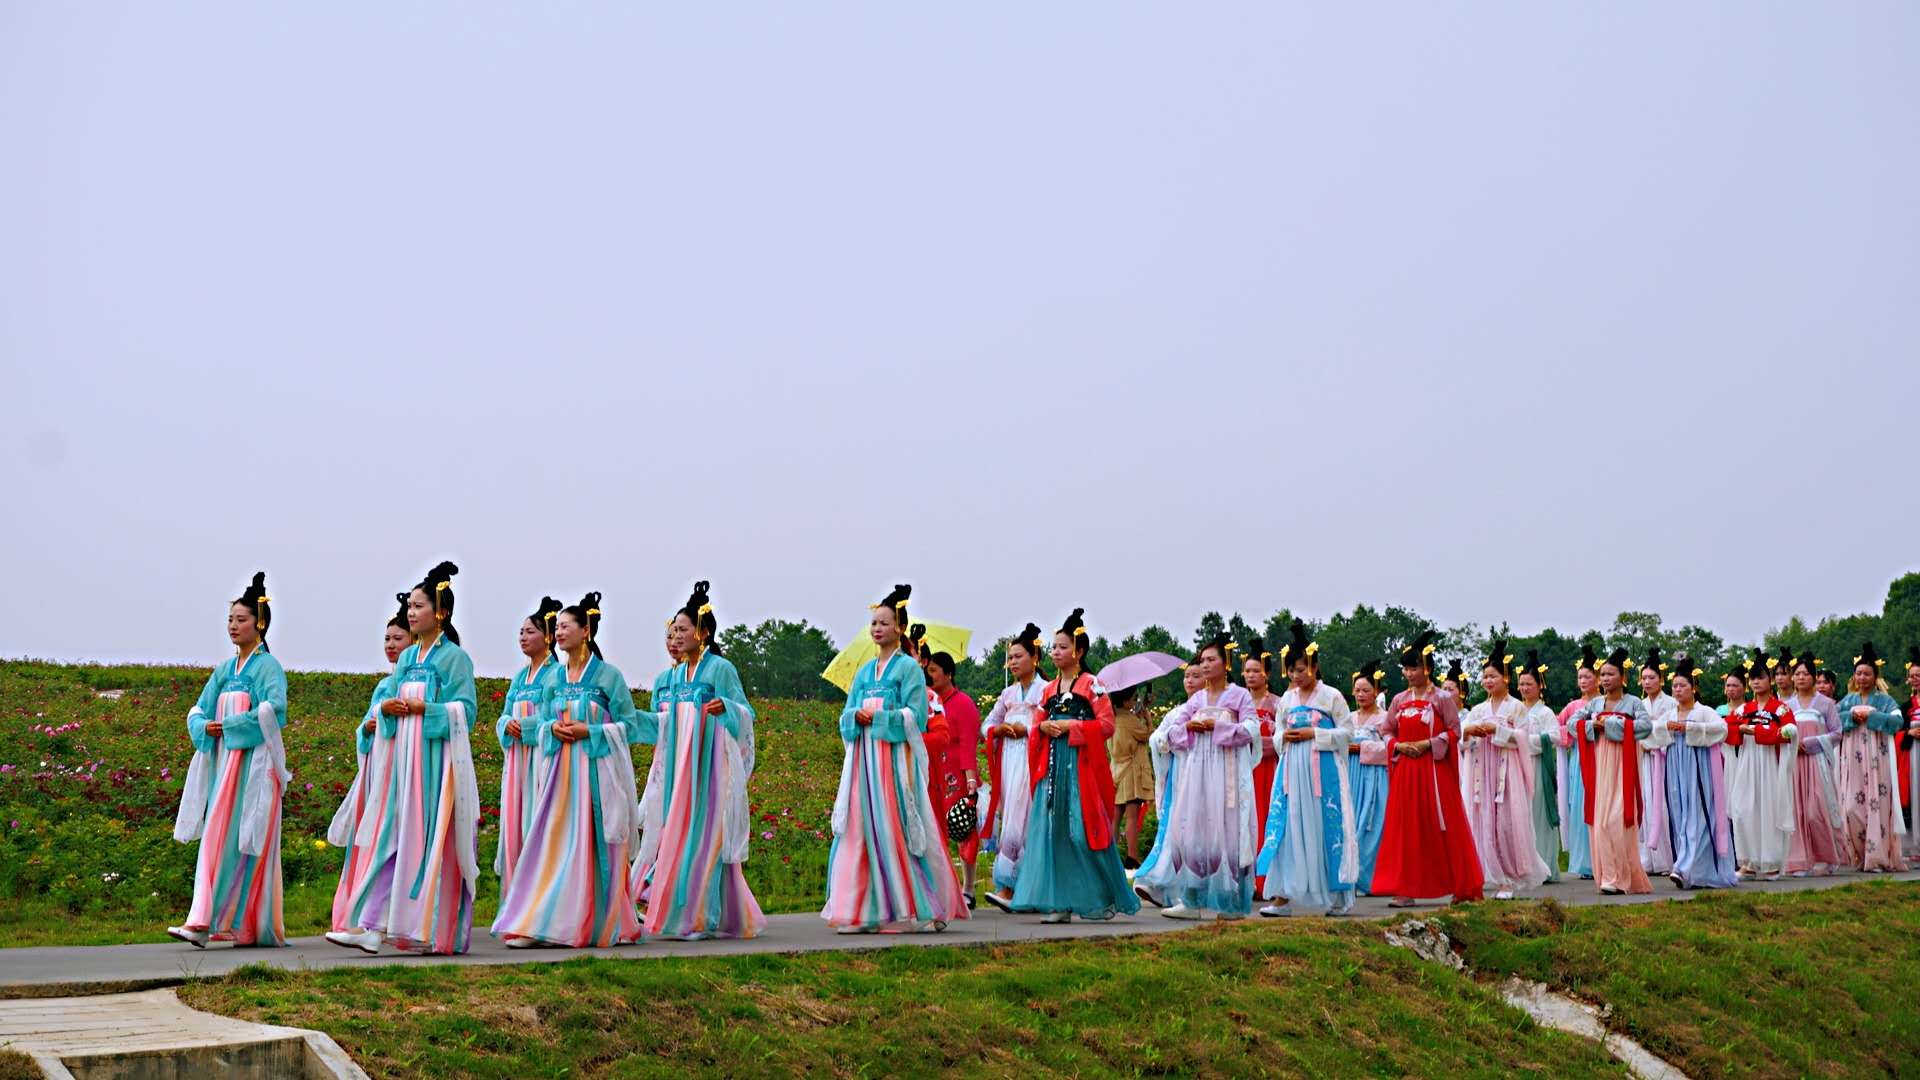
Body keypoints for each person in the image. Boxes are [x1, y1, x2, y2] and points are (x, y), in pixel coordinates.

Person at [330, 561, 480, 956]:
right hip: (401, 764)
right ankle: (373, 926)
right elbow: (385, 706)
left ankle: (428, 927)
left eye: (419, 606)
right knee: (390, 837)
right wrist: (388, 711)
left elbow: (465, 711)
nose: (411, 613)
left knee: (428, 843)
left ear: (440, 612)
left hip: (434, 767)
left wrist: (422, 709)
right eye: (410, 606)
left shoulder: (455, 660)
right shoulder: (409, 658)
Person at [491, 592, 646, 948]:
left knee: (592, 847)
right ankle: (545, 921)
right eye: (556, 627)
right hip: (559, 777)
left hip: (595, 776)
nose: (558, 633)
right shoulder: (555, 678)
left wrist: (588, 731)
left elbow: (630, 726)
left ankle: (596, 922)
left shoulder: (608, 677)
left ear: (585, 630)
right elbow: (544, 720)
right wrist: (551, 730)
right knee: (552, 845)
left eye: (565, 626)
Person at [822, 585, 967, 933]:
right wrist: (855, 717)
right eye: (873, 623)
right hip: (864, 764)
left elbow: (916, 717)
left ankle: (913, 905)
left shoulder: (908, 669)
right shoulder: (864, 672)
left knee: (896, 827)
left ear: (899, 627)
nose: (877, 629)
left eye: (884, 623)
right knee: (862, 829)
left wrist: (882, 717)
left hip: (893, 763)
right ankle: (863, 909)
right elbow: (846, 714)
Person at [638, 581, 765, 940]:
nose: (676, 636)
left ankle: (701, 917)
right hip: (680, 770)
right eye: (672, 630)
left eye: (683, 629)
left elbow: (746, 712)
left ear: (703, 632)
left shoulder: (720, 669)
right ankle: (690, 913)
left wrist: (727, 708)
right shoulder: (674, 676)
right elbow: (663, 725)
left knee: (705, 840)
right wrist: (626, 720)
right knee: (678, 840)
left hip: (709, 769)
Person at [169, 572, 290, 948]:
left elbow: (275, 711)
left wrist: (232, 726)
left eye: (242, 620)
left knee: (245, 843)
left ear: (260, 623)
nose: (234, 626)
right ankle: (203, 918)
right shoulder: (224, 671)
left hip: (255, 771)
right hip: (224, 771)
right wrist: (206, 727)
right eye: (230, 620)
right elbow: (197, 710)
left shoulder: (268, 668)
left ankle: (239, 923)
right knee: (215, 841)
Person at [1008, 609, 1140, 923]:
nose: (1056, 652)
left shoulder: (1092, 685)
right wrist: (1042, 729)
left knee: (1082, 832)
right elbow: (1038, 722)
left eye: (1063, 647)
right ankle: (1060, 903)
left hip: (1080, 768)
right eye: (1053, 647)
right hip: (1053, 768)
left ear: (1078, 651)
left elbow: (1106, 725)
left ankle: (1102, 895)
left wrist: (1071, 728)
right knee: (1054, 833)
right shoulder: (1048, 689)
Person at [1137, 634, 1262, 920]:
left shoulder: (1239, 695)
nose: (1205, 665)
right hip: (1198, 774)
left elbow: (1252, 729)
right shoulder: (1197, 699)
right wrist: (1192, 727)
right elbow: (1170, 734)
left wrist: (1218, 727)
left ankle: (1230, 903)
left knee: (1228, 831)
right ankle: (1192, 900)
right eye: (1202, 660)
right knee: (1194, 830)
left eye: (1211, 660)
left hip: (1227, 771)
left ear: (1225, 662)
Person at [1371, 630, 1483, 907]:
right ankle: (1405, 888)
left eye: (1414, 668)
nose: (1409, 674)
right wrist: (1397, 746)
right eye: (1406, 669)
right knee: (1407, 828)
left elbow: (1455, 731)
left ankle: (1461, 885)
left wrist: (1428, 744)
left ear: (1427, 669)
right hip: (1406, 772)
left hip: (1433, 771)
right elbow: (1385, 730)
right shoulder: (1398, 700)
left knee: (1446, 824)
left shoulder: (1442, 699)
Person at [1256, 620, 1357, 916]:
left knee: (1327, 827)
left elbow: (1348, 733)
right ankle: (1282, 897)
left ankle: (1339, 896)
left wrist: (1316, 734)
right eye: (1291, 670)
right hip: (1291, 771)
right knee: (1287, 827)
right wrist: (1282, 737)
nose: (1296, 676)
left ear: (1313, 666)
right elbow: (1278, 732)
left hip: (1323, 772)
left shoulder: (1332, 696)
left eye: (1301, 669)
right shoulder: (1287, 699)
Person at [328, 597, 411, 933]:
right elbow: (363, 728)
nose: (391, 645)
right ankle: (357, 914)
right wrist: (369, 728)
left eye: (398, 639)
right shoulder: (382, 686)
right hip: (374, 771)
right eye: (388, 639)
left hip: (402, 770)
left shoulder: (408, 684)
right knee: (368, 839)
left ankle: (384, 919)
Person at [1457, 639, 1550, 900]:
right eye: (1485, 676)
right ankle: (1489, 874)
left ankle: (1509, 878)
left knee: (1506, 823)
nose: (1488, 681)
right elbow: (1462, 740)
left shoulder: (1516, 708)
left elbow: (1524, 738)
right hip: (1481, 770)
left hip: (1505, 771)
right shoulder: (1477, 709)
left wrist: (1499, 730)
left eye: (1493, 676)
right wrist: (1471, 732)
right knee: (1483, 819)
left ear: (1505, 678)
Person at [1570, 648, 1653, 896]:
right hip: (1599, 768)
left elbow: (1646, 726)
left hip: (1623, 766)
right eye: (1602, 675)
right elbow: (1572, 724)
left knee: (1618, 820)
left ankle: (1622, 876)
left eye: (1610, 674)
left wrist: (1614, 724)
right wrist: (1591, 725)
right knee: (1601, 822)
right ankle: (1608, 876)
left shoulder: (1634, 703)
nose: (1605, 679)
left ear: (1622, 677)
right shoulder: (1594, 703)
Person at [492, 597, 561, 894]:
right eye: (521, 632)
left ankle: (538, 896)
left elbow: (555, 713)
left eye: (530, 631)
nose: (523, 637)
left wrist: (529, 727)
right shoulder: (520, 677)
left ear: (547, 636)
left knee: (536, 821)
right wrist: (506, 723)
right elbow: (506, 710)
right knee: (514, 821)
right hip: (518, 757)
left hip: (541, 757)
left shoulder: (556, 673)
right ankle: (513, 898)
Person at [981, 624, 1049, 912]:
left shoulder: (1046, 690)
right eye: (1010, 658)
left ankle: (1018, 888)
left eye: (1018, 656)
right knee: (1011, 815)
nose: (1012, 662)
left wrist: (1028, 729)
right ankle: (1013, 887)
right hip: (1010, 761)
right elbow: (986, 725)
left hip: (1033, 761)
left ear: (1034, 658)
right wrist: (999, 730)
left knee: (1027, 820)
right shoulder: (1007, 694)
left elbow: (1049, 725)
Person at [1131, 659, 1205, 907]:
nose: (1189, 681)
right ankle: (1160, 883)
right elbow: (1156, 739)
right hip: (1179, 775)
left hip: (1203, 777)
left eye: (1195, 676)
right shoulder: (1176, 713)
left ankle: (1192, 887)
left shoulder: (1211, 710)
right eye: (1187, 676)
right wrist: (1169, 740)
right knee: (1174, 830)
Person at [1830, 643, 1907, 872]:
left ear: (1875, 676)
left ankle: (1877, 857)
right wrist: (1852, 715)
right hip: (1853, 759)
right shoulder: (1848, 700)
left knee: (1878, 806)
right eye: (1859, 673)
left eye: (1867, 673)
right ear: (1854, 676)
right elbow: (1833, 720)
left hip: (1877, 758)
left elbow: (1897, 722)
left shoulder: (1885, 701)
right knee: (1851, 807)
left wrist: (1873, 716)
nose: (1862, 677)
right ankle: (1860, 854)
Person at [1662, 655, 1736, 889]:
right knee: (1680, 814)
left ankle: (1684, 867)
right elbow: (1654, 731)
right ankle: (1691, 869)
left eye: (1682, 685)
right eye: (1674, 686)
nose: (1678, 690)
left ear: (1694, 688)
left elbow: (1721, 729)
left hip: (1698, 768)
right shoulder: (1670, 713)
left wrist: (1690, 729)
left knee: (1698, 815)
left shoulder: (1704, 711)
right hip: (1676, 766)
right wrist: (1668, 728)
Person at [1728, 651, 1797, 880]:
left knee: (1768, 810)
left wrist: (1755, 730)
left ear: (1770, 680)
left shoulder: (1781, 709)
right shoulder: (1744, 709)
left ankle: (1770, 862)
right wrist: (1740, 729)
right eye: (1753, 678)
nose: (1756, 682)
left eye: (1761, 677)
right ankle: (1747, 861)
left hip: (1770, 764)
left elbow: (1788, 733)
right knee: (1743, 809)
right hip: (1747, 763)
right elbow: (1727, 729)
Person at [927, 649, 982, 903]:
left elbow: (969, 744)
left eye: (933, 670)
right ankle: (938, 888)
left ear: (948, 674)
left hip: (957, 777)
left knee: (962, 828)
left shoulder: (963, 704)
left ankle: (968, 888)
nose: (929, 675)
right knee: (934, 830)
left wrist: (971, 781)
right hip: (932, 774)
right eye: (927, 671)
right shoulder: (926, 703)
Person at [1781, 651, 1843, 877]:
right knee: (1796, 812)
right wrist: (1790, 742)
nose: (1800, 678)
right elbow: (1780, 732)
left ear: (1813, 677)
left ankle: (1826, 857)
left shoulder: (1825, 704)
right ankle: (1799, 860)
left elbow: (1837, 733)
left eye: (1805, 674)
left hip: (1816, 763)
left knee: (1815, 811)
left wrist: (1810, 743)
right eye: (1797, 674)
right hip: (1794, 764)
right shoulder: (1786, 705)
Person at [1514, 651, 1562, 885]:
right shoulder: (1516, 710)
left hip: (1537, 767)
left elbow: (1555, 737)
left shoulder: (1544, 712)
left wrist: (1528, 741)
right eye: (1521, 684)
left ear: (1539, 685)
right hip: (1518, 768)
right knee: (1522, 817)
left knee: (1539, 816)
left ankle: (1545, 865)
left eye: (1529, 684)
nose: (1524, 688)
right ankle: (1526, 867)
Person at [1346, 659, 1393, 894]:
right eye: (1357, 690)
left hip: (1374, 776)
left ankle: (1371, 878)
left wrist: (1361, 748)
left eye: (1366, 690)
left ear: (1376, 692)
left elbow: (1391, 748)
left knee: (1372, 824)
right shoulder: (1348, 718)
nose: (1361, 695)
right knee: (1350, 821)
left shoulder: (1385, 718)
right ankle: (1350, 877)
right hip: (1350, 774)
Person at [1555, 645, 1602, 880]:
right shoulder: (1573, 706)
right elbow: (1556, 727)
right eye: (1580, 677)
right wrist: (1574, 733)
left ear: (1598, 678)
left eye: (1587, 676)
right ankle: (1585, 861)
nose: (1583, 681)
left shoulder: (1605, 702)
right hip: (1579, 760)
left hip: (1602, 758)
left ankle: (1603, 859)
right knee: (1581, 806)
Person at [1242, 637, 1282, 894]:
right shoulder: (1239, 701)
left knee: (1267, 820)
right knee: (1244, 822)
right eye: (1247, 671)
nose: (1250, 675)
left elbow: (1281, 738)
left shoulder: (1278, 703)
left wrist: (1257, 744)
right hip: (1244, 770)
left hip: (1268, 770)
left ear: (1267, 674)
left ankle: (1266, 879)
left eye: (1256, 671)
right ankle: (1244, 879)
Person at [1636, 647, 1678, 877]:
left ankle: (1667, 858)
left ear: (1661, 679)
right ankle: (1647, 859)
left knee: (1662, 805)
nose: (1647, 682)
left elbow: (1667, 731)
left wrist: (1649, 737)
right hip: (1643, 759)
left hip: (1662, 758)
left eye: (1652, 677)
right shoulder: (1639, 705)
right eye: (1644, 678)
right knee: (1646, 806)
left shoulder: (1670, 703)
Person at [1107, 685, 1154, 868]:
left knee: (1116, 815)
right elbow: (1146, 735)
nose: (1135, 702)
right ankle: (1132, 856)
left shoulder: (1113, 716)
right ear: (1125, 700)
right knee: (1132, 816)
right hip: (1131, 772)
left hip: (1116, 769)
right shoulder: (1129, 719)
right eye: (1134, 698)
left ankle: (1110, 854)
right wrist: (1147, 720)